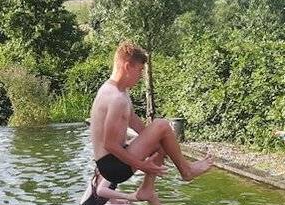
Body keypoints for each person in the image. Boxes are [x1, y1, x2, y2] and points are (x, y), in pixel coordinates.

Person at [90, 41, 212, 191]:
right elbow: (109, 144)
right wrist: (142, 166)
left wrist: (158, 140)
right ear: (127, 67)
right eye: (140, 70)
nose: (141, 76)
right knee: (162, 125)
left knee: (161, 138)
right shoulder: (115, 98)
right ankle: (187, 171)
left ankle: (147, 190)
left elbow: (133, 120)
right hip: (112, 167)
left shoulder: (119, 90)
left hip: (112, 161)